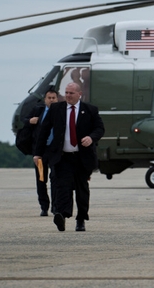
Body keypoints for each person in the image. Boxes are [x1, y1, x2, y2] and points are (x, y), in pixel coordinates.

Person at [33, 82, 105, 232]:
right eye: (66, 93)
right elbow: (44, 131)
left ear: (79, 94)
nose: (68, 96)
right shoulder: (56, 109)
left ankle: (81, 219)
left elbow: (99, 128)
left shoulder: (90, 110)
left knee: (81, 190)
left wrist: (91, 138)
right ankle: (62, 215)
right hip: (62, 157)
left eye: (71, 93)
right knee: (62, 187)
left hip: (82, 157)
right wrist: (38, 153)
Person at [23, 89, 59, 216]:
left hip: (55, 151)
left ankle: (55, 206)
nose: (51, 100)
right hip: (40, 151)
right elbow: (24, 120)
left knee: (56, 178)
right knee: (41, 178)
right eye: (49, 97)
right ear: (45, 99)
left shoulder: (61, 112)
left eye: (54, 97)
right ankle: (44, 206)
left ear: (57, 99)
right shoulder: (38, 110)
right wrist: (30, 121)